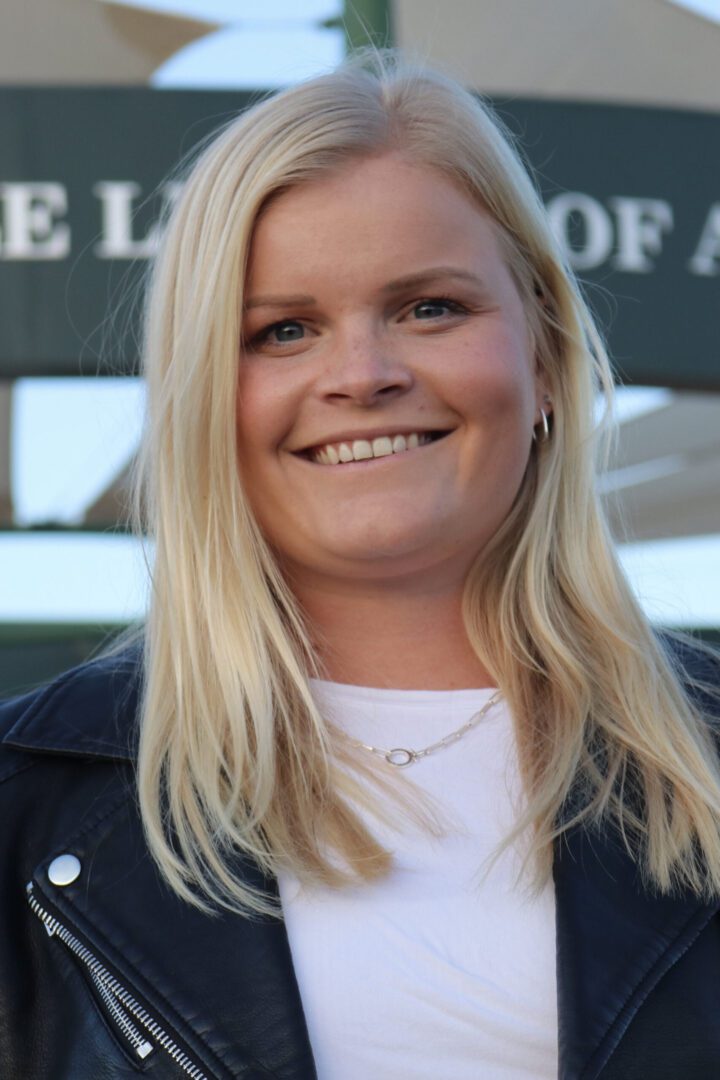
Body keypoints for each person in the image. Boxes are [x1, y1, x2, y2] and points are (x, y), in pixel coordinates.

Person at [1, 50, 720, 1080]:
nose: (365, 375)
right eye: (283, 331)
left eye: (430, 308)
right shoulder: (25, 805)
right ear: (205, 397)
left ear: (547, 355)